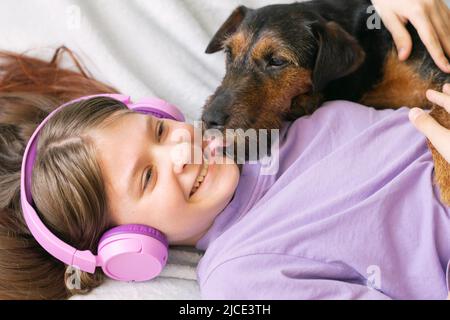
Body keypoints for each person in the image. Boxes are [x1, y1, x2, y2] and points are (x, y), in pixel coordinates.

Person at [0, 0, 449, 300]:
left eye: (157, 130)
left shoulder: (277, 118)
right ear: (129, 248)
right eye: (147, 177)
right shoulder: (242, 278)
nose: (179, 146)